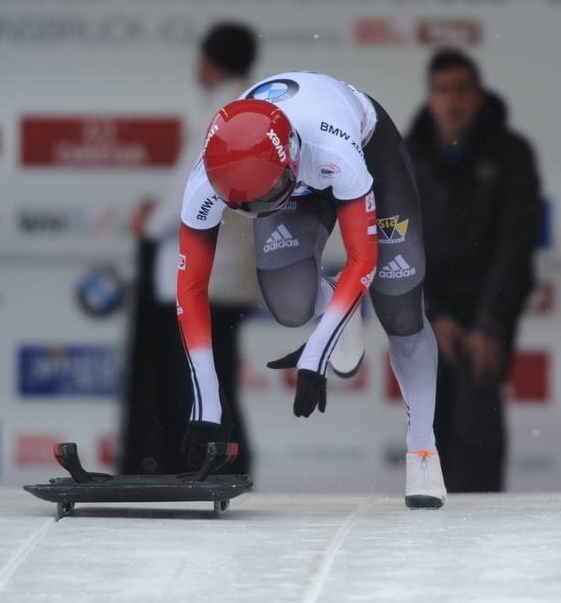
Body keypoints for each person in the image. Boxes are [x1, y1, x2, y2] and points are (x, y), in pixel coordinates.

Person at [176, 71, 446, 508]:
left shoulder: (335, 150)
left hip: (368, 154)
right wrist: (207, 405)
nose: (266, 210)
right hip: (286, 169)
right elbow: (189, 291)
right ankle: (341, 309)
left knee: (399, 306)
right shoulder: (207, 180)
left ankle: (423, 449)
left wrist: (316, 355)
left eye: (272, 196)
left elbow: (363, 259)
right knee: (289, 304)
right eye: (251, 208)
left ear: (291, 162)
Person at [121, 22, 259, 475]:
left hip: (204, 273)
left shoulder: (223, 112)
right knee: (212, 377)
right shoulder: (245, 107)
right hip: (224, 271)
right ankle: (218, 465)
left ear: (209, 61)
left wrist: (150, 221)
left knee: (198, 382)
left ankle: (210, 467)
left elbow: (193, 188)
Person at [405, 49, 542, 492]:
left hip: (490, 301)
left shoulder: (512, 154)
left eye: (462, 89)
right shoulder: (409, 157)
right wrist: (432, 313)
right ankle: (431, 516)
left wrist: (490, 325)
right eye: (443, 90)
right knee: (429, 417)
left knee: (478, 413)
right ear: (430, 99)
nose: (453, 100)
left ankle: (482, 530)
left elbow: (515, 246)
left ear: (480, 95)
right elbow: (401, 245)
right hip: (430, 308)